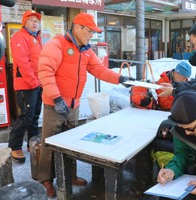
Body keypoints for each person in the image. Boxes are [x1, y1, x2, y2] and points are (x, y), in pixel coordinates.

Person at [37, 12, 133, 198]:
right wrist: (57, 98)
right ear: (79, 28)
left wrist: (120, 78)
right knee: (49, 143)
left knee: (71, 143)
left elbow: (99, 70)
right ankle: (46, 180)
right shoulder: (57, 44)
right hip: (54, 104)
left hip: (73, 105)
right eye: (90, 31)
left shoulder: (86, 50)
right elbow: (45, 72)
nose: (91, 35)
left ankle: (70, 175)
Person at [8, 10, 43, 163]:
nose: (35, 22)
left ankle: (32, 142)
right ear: (25, 22)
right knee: (25, 115)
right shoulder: (19, 37)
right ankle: (14, 146)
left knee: (35, 114)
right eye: (31, 20)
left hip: (37, 83)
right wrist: (34, 82)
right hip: (26, 84)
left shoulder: (36, 38)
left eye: (37, 20)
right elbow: (22, 63)